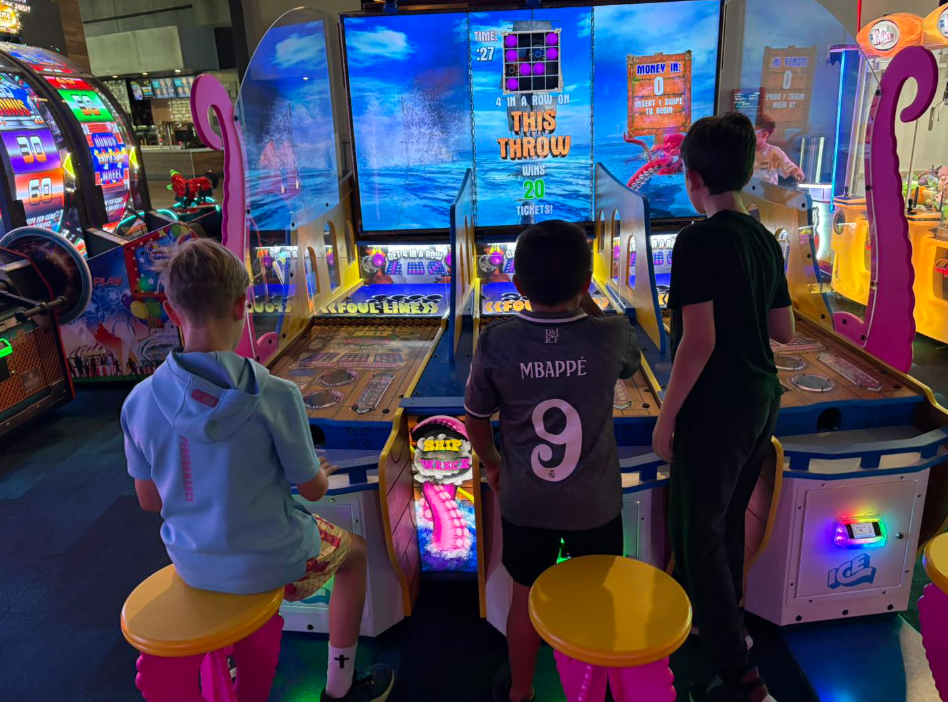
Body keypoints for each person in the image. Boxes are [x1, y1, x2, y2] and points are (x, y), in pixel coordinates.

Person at [120, 239, 394, 702]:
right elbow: (310, 490)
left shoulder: (138, 401)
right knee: (356, 556)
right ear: (241, 305)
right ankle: (341, 686)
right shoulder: (277, 395)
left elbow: (151, 501)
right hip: (274, 558)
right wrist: (318, 471)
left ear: (170, 308)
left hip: (192, 561)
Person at [464, 220, 641, 702]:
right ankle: (596, 687)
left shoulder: (496, 343)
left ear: (517, 286)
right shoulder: (611, 336)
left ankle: (521, 692)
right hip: (595, 504)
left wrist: (495, 464)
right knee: (597, 598)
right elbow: (629, 360)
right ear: (586, 282)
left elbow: (475, 421)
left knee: (526, 597)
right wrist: (586, 299)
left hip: (526, 501)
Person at [652, 112, 795, 702]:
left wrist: (667, 416)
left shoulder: (697, 239)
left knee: (698, 538)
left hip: (716, 410)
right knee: (727, 523)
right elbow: (783, 329)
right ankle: (727, 627)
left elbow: (699, 340)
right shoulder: (762, 237)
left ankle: (741, 677)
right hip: (762, 402)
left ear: (691, 178)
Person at [753, 115, 804, 185]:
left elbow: (790, 167)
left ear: (764, 135)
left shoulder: (774, 152)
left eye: (753, 131)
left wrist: (796, 172)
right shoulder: (742, 151)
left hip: (766, 194)